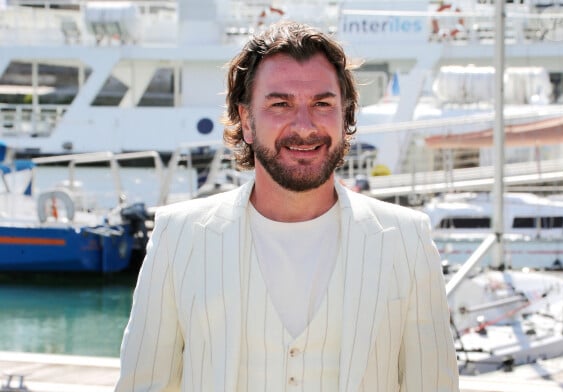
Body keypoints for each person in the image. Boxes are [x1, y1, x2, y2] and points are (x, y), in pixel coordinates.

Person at [115, 21, 459, 392]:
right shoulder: (177, 237)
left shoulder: (407, 241)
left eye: (322, 104)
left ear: (345, 116)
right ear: (246, 121)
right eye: (280, 104)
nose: (304, 126)